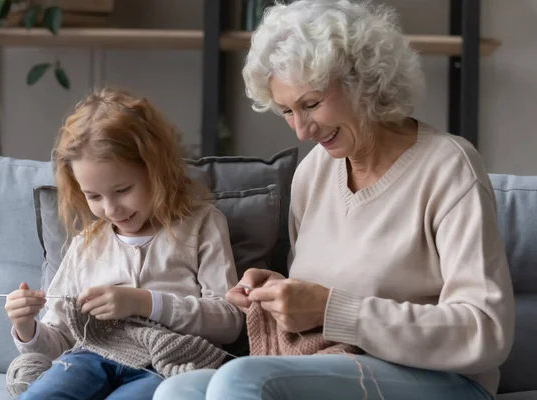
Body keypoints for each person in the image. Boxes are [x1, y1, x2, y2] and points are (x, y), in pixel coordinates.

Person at [153, 1, 515, 399]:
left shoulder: (448, 167)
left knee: (240, 381)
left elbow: (486, 329)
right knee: (179, 390)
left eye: (311, 104)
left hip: (442, 379)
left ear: (363, 80)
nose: (302, 131)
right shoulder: (314, 172)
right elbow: (323, 292)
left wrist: (332, 310)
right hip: (334, 364)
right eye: (286, 111)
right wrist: (279, 293)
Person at [4, 87, 244, 400]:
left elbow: (229, 321)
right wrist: (26, 327)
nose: (111, 209)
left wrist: (144, 302)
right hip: (90, 357)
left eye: (123, 189)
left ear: (155, 169)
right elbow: (58, 340)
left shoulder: (202, 224)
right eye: (94, 197)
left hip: (168, 359)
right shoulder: (87, 245)